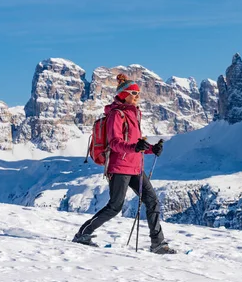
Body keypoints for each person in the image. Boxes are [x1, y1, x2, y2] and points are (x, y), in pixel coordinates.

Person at [72, 74, 176, 254]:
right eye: (134, 93)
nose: (138, 96)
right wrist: (136, 147)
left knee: (152, 200)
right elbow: (114, 143)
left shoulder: (134, 113)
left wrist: (151, 149)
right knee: (115, 206)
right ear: (124, 94)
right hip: (119, 167)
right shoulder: (116, 114)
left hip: (136, 167)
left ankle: (158, 244)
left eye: (138, 93)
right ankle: (83, 233)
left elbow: (136, 143)